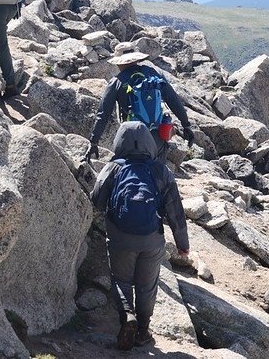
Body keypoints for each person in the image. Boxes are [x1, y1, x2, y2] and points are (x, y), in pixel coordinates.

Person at [90, 121, 190, 350]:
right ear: (149, 142)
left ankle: (127, 316)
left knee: (121, 280)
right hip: (152, 239)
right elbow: (176, 210)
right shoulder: (160, 170)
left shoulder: (113, 167)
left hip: (121, 237)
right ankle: (143, 331)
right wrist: (183, 245)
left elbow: (97, 199)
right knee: (147, 286)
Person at [82, 42, 194, 163]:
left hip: (131, 138)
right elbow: (173, 100)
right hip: (157, 139)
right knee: (157, 174)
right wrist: (186, 125)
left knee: (126, 172)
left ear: (119, 62)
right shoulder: (153, 74)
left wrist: (94, 142)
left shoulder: (117, 82)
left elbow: (103, 114)